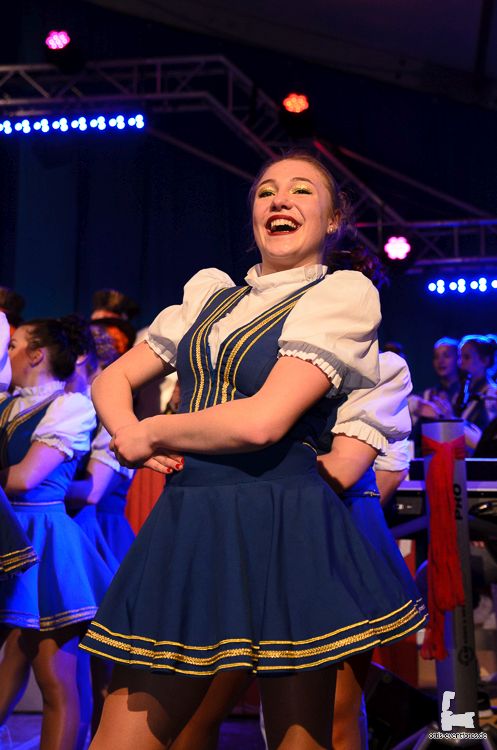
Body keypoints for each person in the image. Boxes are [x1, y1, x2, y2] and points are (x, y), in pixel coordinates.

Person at [80, 152, 426, 750]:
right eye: (266, 191)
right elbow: (111, 379)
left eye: (302, 190)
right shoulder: (208, 296)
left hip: (285, 521)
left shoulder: (340, 295)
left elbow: (266, 422)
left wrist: (154, 432)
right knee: (132, 732)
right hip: (190, 516)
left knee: (308, 730)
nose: (280, 199)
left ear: (334, 219)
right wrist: (128, 431)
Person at [0, 317, 115, 750]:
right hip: (7, 534)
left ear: (37, 354)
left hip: (44, 541)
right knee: (15, 660)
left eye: (14, 345)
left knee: (54, 675)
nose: (7, 353)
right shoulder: (7, 405)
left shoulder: (70, 407)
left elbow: (26, 478)